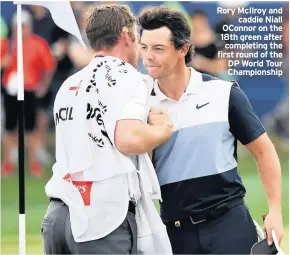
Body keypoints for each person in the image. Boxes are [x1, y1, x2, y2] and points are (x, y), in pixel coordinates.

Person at [138, 6, 283, 254]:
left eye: (158, 48)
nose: (148, 57)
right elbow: (141, 175)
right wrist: (150, 139)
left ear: (183, 49)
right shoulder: (140, 107)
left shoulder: (224, 93)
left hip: (230, 225)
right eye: (144, 47)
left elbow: (264, 152)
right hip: (175, 233)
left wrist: (275, 210)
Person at [41, 4, 173, 254]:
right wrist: (162, 130)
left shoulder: (70, 84)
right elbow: (128, 139)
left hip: (59, 213)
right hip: (102, 216)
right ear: (126, 35)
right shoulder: (130, 78)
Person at [2, 10, 56, 177]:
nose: (21, 30)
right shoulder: (6, 44)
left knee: (31, 129)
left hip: (29, 90)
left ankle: (34, 164)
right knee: (9, 128)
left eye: (24, 26)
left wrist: (43, 86)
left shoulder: (38, 44)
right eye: (18, 26)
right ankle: (7, 164)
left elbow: (49, 66)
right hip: (11, 90)